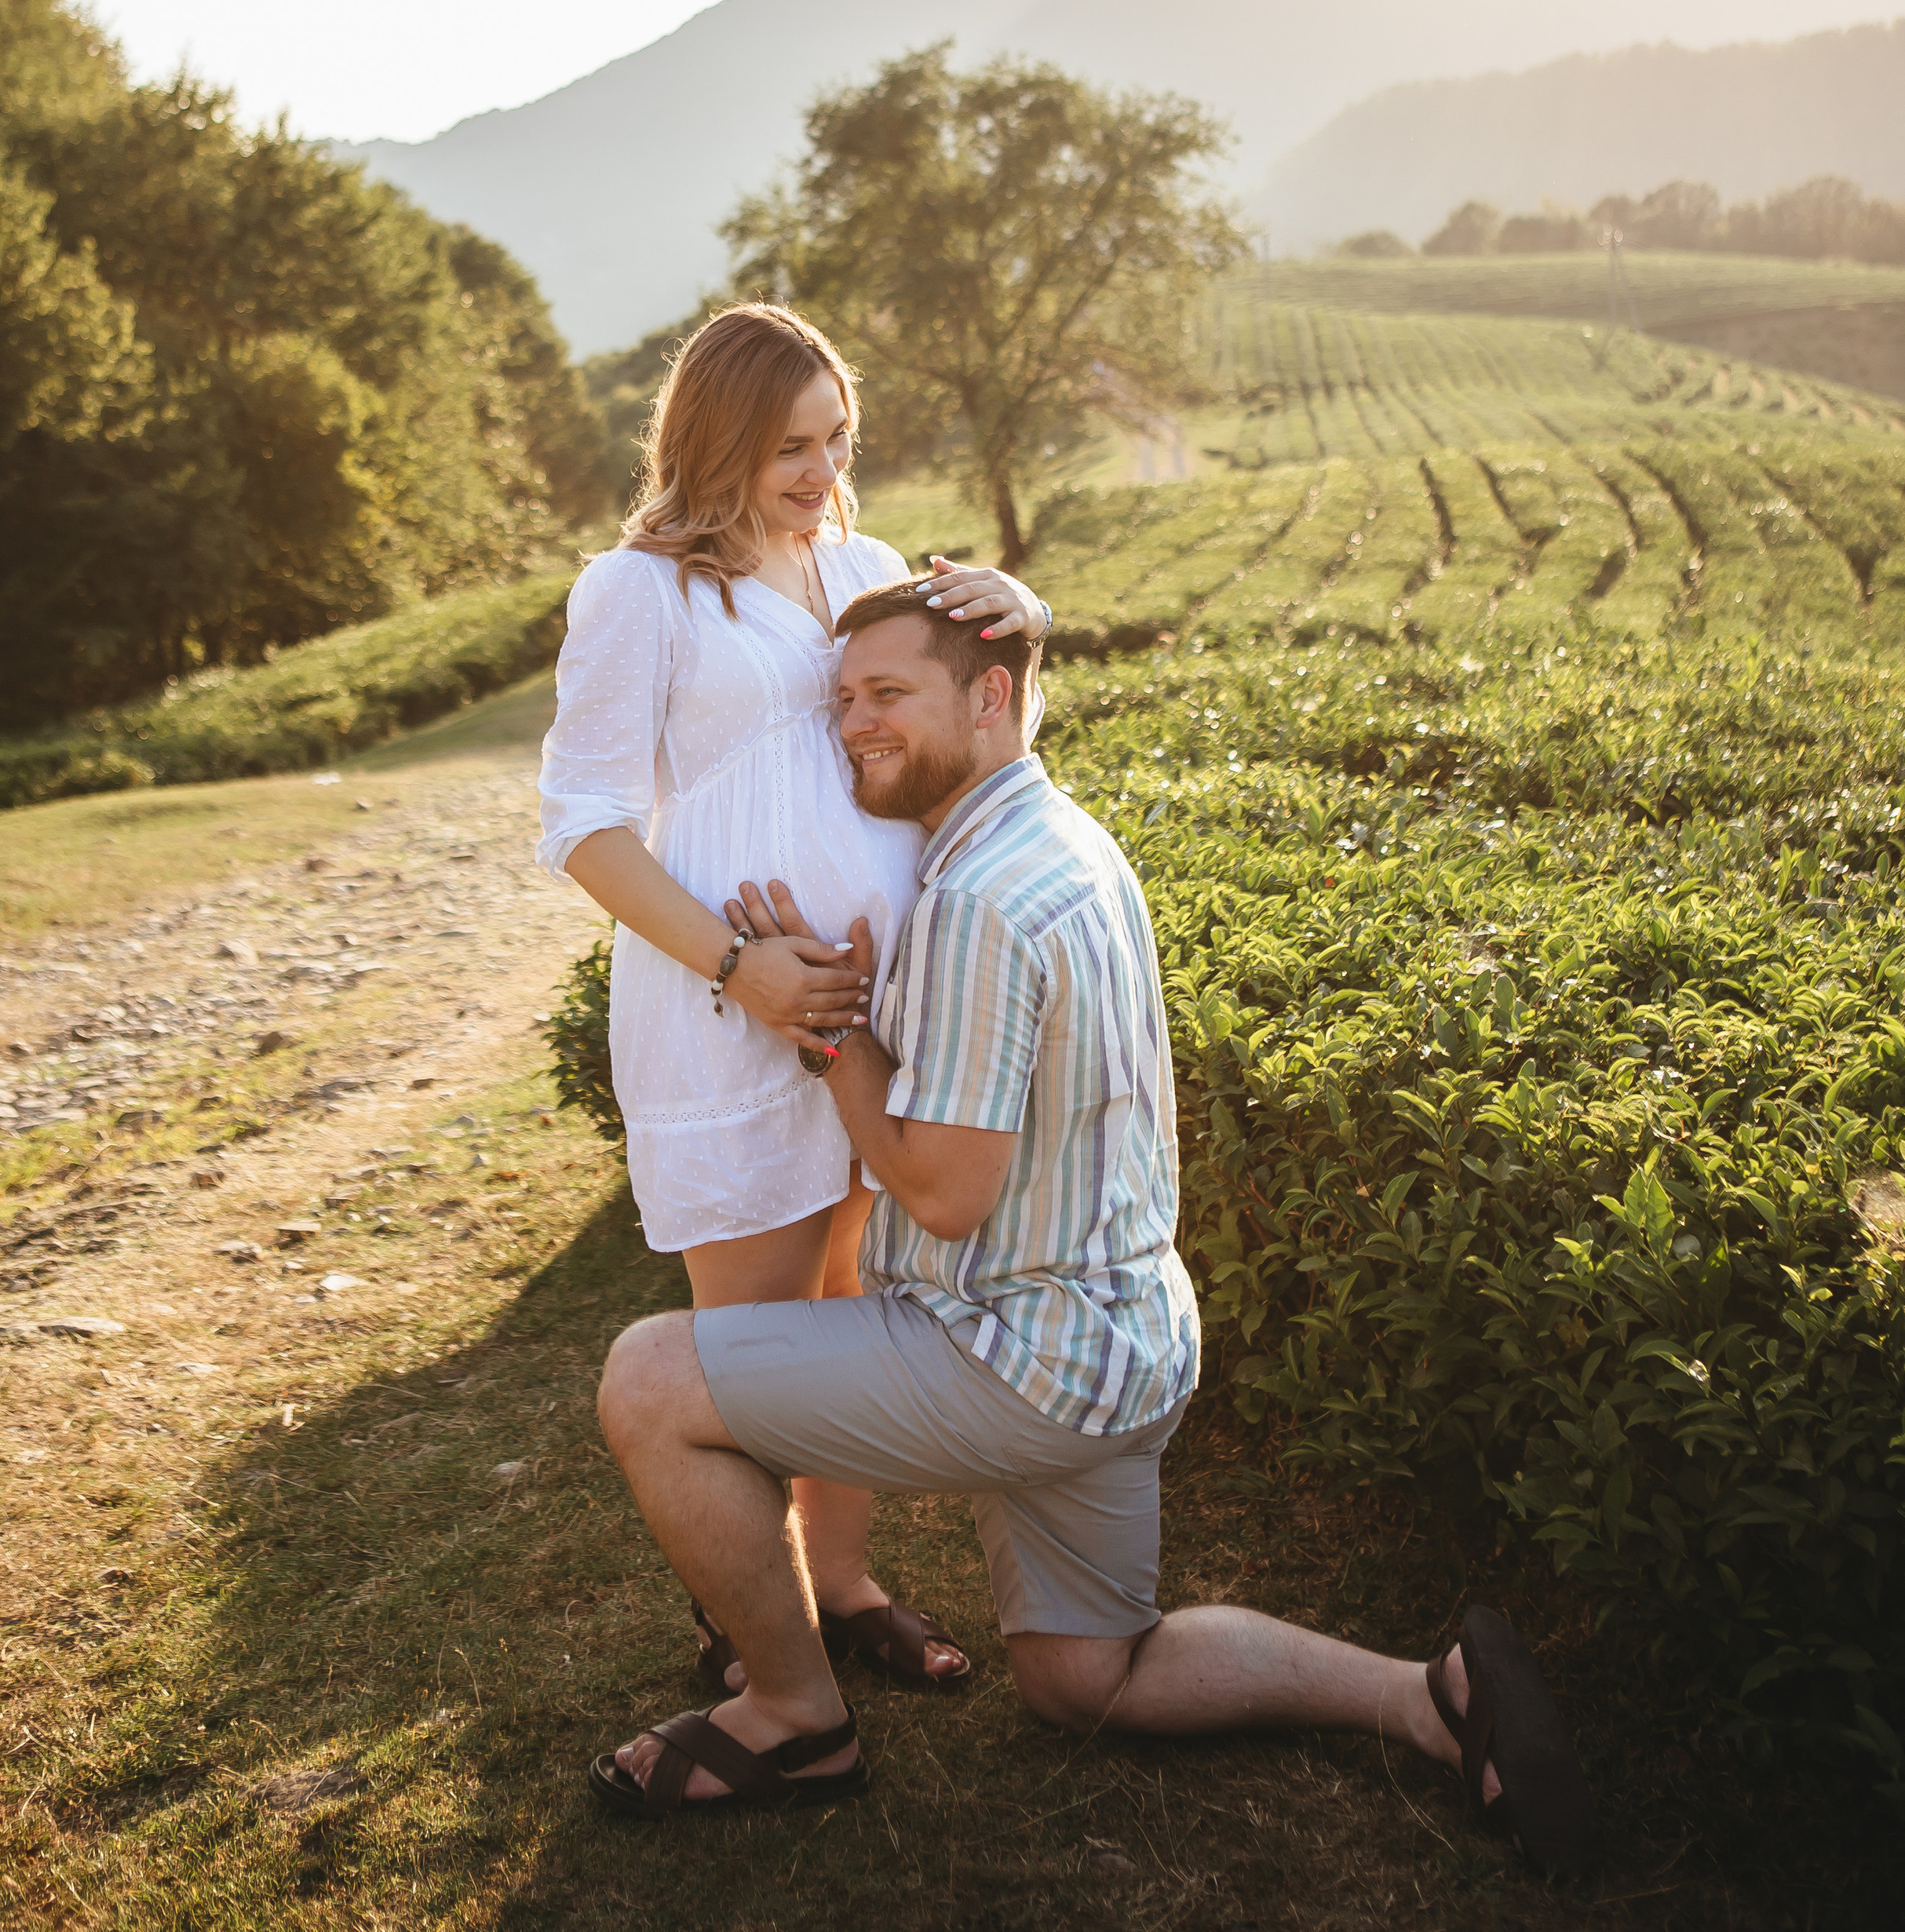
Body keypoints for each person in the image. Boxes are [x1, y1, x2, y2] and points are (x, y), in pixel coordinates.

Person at [587, 580, 1600, 1879]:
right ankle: (1430, 1696)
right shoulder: (1066, 838)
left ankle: (791, 1719)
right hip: (1128, 1339)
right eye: (842, 703)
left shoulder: (976, 902)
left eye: (888, 695)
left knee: (649, 1379)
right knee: (1088, 1678)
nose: (854, 728)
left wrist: (825, 1030)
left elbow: (943, 1195)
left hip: (1018, 1358)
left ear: (991, 698)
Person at [537, 302, 1051, 1696]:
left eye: (837, 441)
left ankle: (848, 1584)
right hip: (727, 1014)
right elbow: (583, 824)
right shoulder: (638, 592)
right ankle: (756, 1629)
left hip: (880, 1014)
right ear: (714, 440)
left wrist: (1028, 619)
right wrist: (737, 965)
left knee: (856, 1306)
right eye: (788, 449)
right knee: (754, 1345)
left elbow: (984, 729)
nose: (821, 475)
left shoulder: (871, 564)